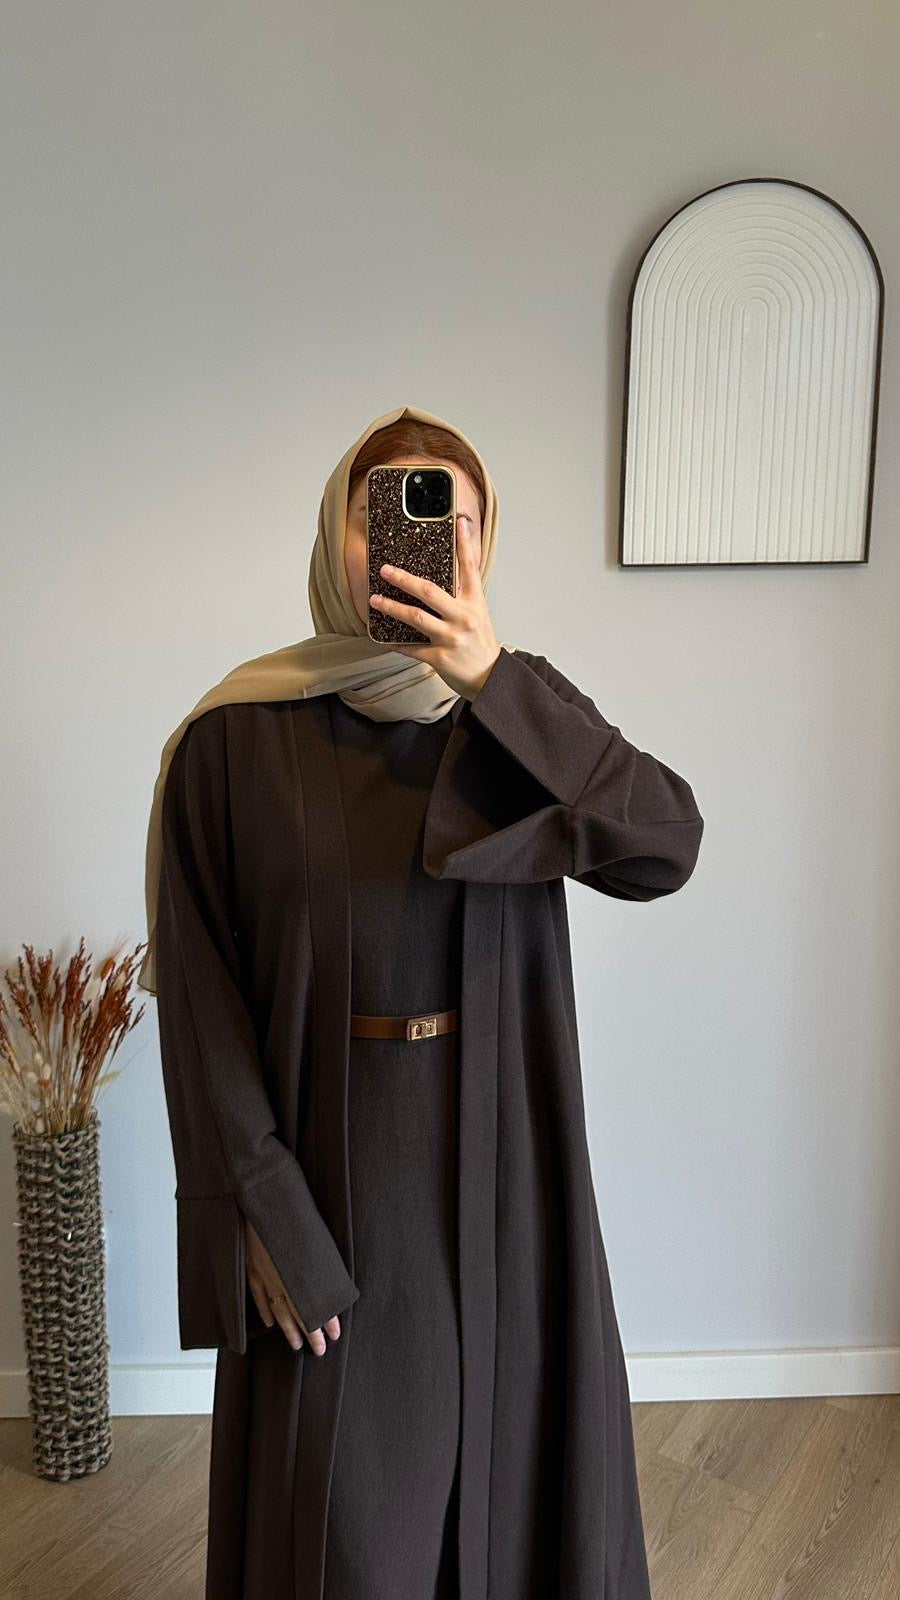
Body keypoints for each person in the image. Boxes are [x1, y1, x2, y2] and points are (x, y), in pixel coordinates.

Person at [140, 403, 704, 1600]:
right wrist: (262, 1210)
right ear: (333, 539)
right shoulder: (232, 741)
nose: (417, 537)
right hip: (330, 1183)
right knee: (347, 1529)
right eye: (381, 509)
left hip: (509, 1175)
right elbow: (197, 998)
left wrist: (494, 680)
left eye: (453, 514)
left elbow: (665, 843)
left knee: (517, 1498)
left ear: (484, 545)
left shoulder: (522, 721)